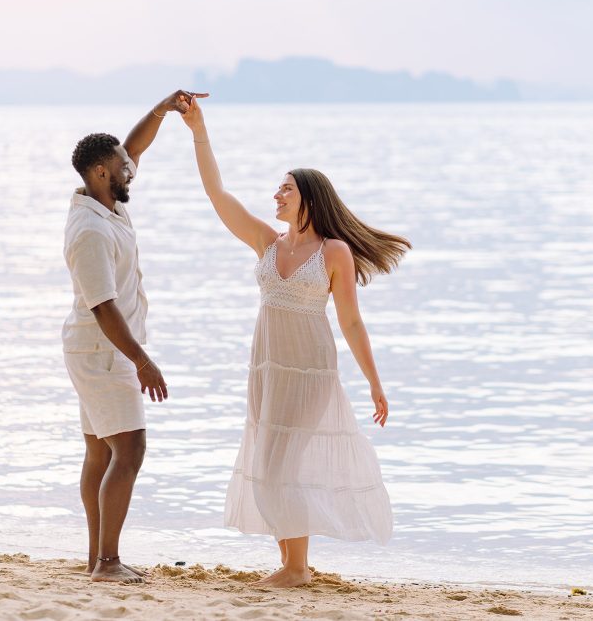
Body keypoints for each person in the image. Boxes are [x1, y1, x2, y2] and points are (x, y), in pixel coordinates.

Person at [179, 98, 410, 587]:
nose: (276, 195)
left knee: (281, 463)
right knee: (267, 460)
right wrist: (199, 130)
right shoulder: (266, 241)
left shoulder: (334, 251)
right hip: (266, 366)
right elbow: (217, 193)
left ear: (308, 196)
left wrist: (375, 383)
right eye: (277, 188)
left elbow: (350, 321)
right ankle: (291, 563)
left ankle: (296, 568)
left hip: (310, 371)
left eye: (285, 188)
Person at [63, 90, 207, 584]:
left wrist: (163, 110)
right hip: (103, 350)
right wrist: (143, 361)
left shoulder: (107, 198)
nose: (131, 170)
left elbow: (133, 147)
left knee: (101, 452)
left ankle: (96, 559)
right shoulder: (90, 232)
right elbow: (103, 307)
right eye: (123, 167)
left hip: (99, 348)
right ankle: (107, 562)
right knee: (129, 449)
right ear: (101, 174)